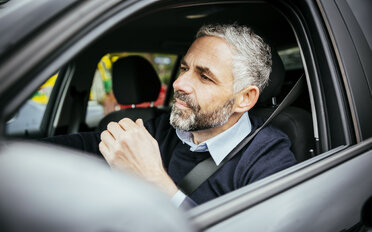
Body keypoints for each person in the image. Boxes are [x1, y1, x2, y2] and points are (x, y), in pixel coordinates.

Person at [46, 24, 296, 208]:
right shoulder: (161, 129)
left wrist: (155, 180)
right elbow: (88, 145)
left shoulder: (268, 160)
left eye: (204, 76)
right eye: (185, 68)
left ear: (244, 98)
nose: (178, 83)